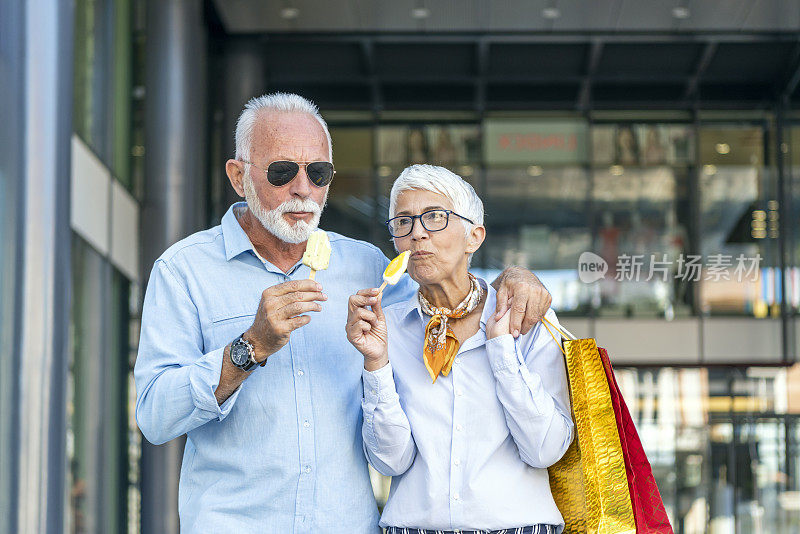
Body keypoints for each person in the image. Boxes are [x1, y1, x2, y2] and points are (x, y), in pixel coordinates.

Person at [134, 93, 553, 533]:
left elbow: (451, 289)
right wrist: (250, 346)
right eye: (282, 172)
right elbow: (156, 417)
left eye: (318, 172)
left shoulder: (367, 266)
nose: (303, 188)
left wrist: (515, 278)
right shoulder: (184, 271)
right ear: (239, 177)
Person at [346, 164, 573, 534]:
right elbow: (391, 461)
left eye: (435, 217)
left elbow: (545, 449)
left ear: (474, 237)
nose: (417, 233)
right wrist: (376, 363)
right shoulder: (389, 330)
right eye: (403, 222)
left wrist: (501, 349)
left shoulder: (527, 318)